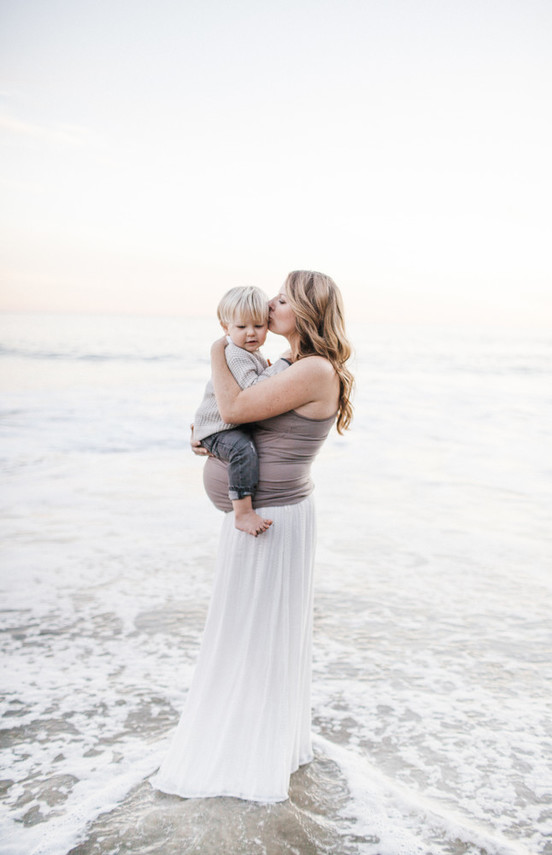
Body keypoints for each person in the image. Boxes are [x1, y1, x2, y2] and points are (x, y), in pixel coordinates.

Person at [153, 271, 354, 803]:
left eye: (282, 298)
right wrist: (209, 437)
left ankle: (246, 759)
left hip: (271, 519)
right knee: (247, 634)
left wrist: (216, 350)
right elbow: (242, 421)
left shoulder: (313, 369)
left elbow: (236, 408)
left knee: (255, 637)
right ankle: (246, 744)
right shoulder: (287, 363)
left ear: (305, 311)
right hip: (263, 513)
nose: (270, 304)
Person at [193, 285, 289, 537]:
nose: (251, 333)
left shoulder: (249, 352)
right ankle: (243, 512)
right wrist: (281, 365)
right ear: (225, 327)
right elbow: (253, 391)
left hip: (222, 425)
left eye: (258, 325)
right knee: (241, 449)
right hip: (217, 429)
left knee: (243, 446)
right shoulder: (236, 355)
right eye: (241, 326)